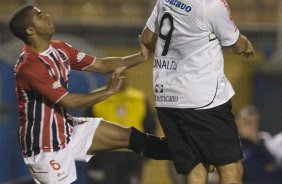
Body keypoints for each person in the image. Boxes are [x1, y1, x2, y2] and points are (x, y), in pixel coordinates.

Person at [9, 5, 171, 184]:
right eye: (39, 15)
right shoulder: (29, 66)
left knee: (128, 136)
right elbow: (69, 101)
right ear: (30, 30)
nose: (46, 15)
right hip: (44, 146)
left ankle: (184, 150)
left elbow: (101, 65)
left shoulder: (60, 49)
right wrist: (108, 91)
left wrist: (141, 56)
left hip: (69, 129)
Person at [139, 0, 255, 183]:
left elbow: (146, 38)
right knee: (231, 168)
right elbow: (238, 46)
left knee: (196, 167)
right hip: (202, 99)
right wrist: (247, 44)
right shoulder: (211, 4)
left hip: (166, 98)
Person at [85, 71, 158, 184]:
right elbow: (86, 130)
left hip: (132, 155)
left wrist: (146, 154)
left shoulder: (139, 98)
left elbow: (150, 126)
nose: (118, 78)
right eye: (114, 75)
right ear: (108, 77)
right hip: (104, 154)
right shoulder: (96, 97)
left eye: (122, 75)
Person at [236, 105, 282, 184]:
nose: (248, 126)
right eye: (245, 121)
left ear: (257, 123)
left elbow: (272, 166)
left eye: (251, 123)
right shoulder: (230, 143)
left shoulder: (266, 140)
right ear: (237, 122)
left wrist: (255, 141)